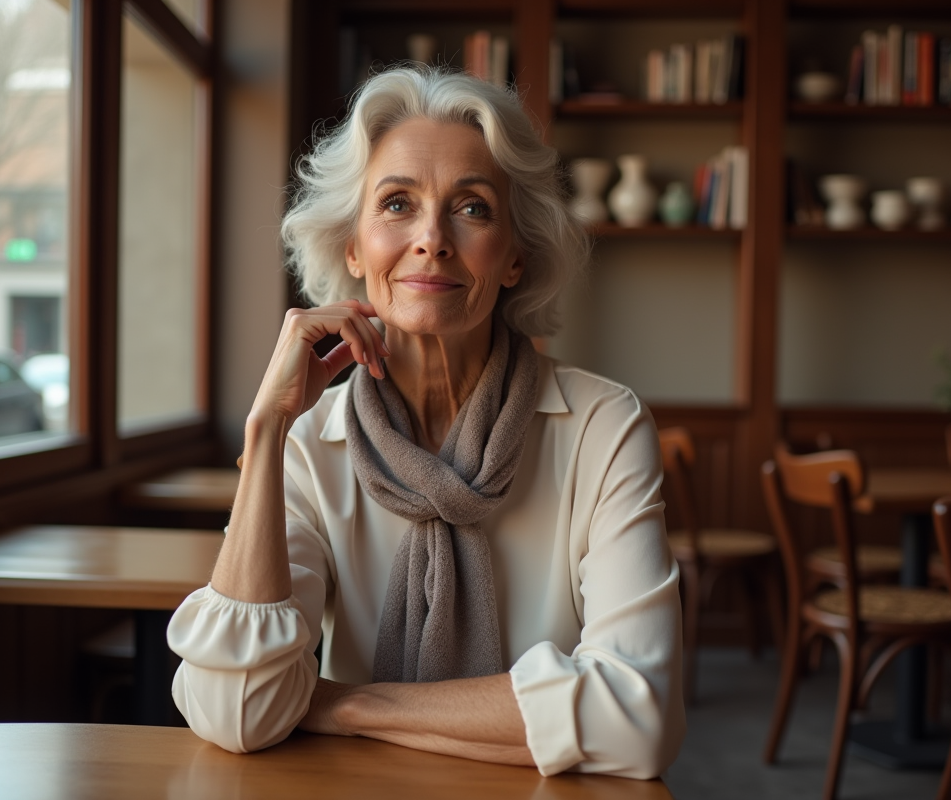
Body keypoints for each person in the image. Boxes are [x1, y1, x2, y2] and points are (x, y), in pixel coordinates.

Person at [167, 66, 685, 779]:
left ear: (513, 259)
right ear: (354, 248)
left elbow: (639, 719)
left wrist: (339, 705)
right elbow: (236, 711)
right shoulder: (311, 442)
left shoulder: (603, 426)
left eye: (472, 209)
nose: (432, 238)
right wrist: (265, 437)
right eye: (397, 204)